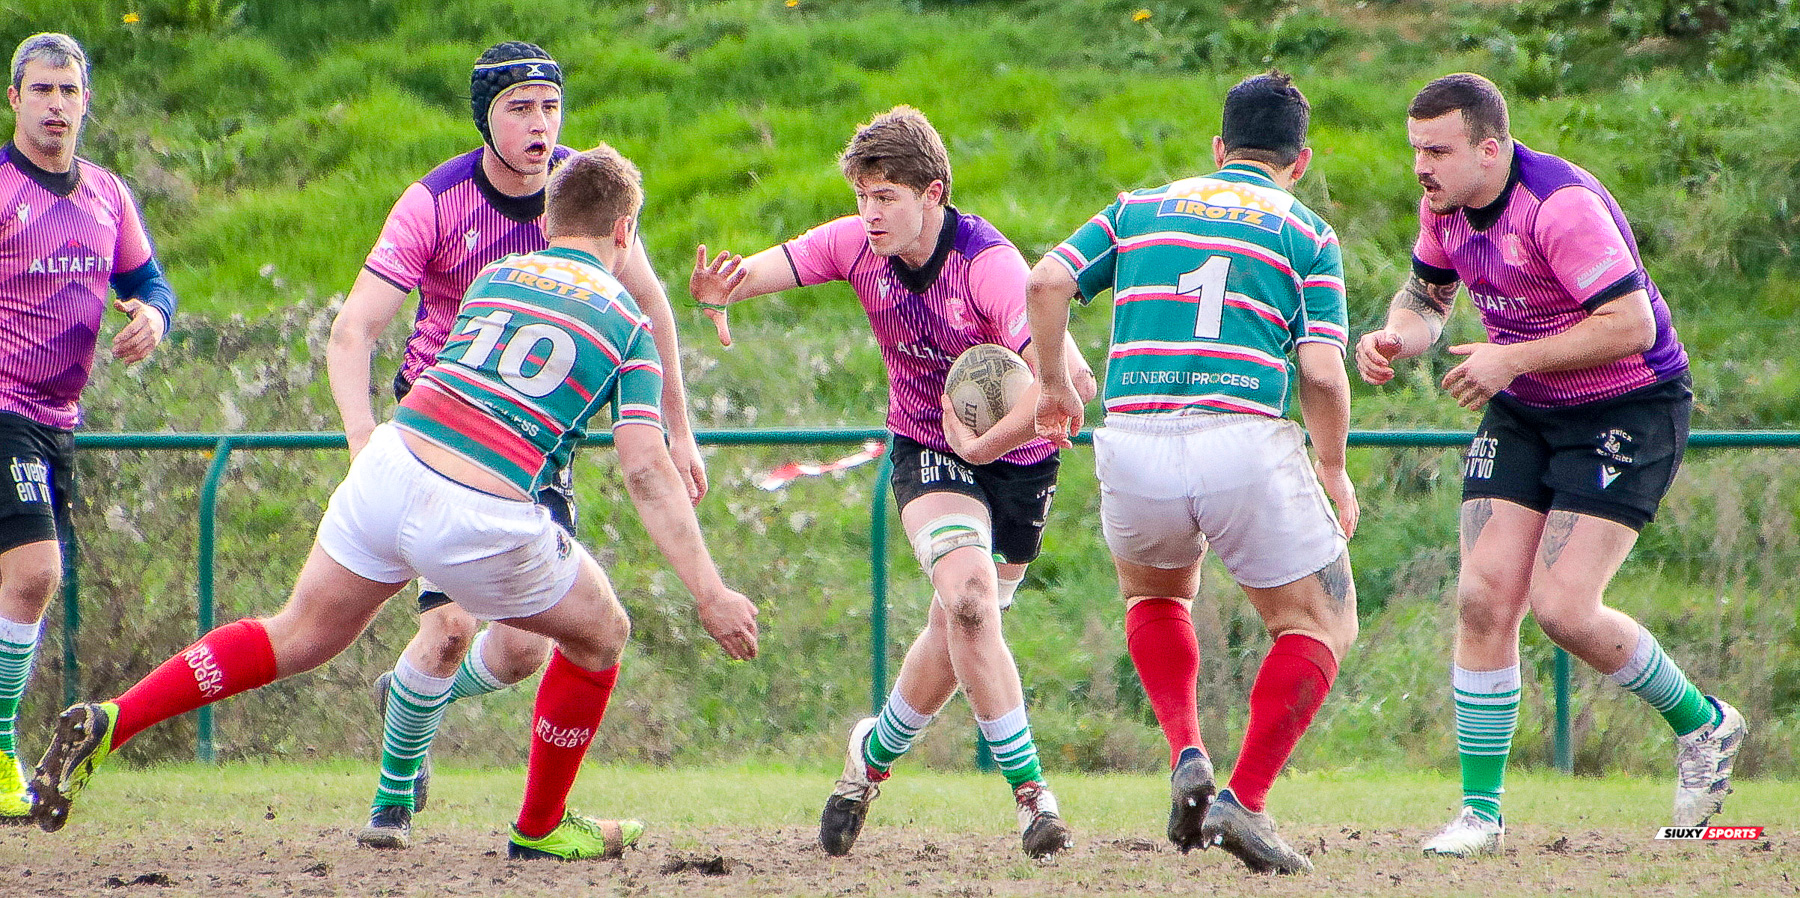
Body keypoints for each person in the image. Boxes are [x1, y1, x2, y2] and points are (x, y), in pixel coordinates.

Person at [28, 144, 761, 861]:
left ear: (546, 221)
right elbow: (645, 471)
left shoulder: (499, 275)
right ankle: (542, 827)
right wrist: (711, 592)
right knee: (601, 634)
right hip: (480, 507)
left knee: (296, 634)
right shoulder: (628, 324)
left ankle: (115, 718)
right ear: (623, 233)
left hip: (390, 464)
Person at [324, 41, 709, 849]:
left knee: (526, 649)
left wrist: (679, 426)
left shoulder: (583, 190)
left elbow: (651, 307)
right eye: (519, 108)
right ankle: (391, 802)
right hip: (445, 434)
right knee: (451, 628)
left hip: (539, 444)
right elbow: (354, 327)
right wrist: (363, 435)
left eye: (549, 106)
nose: (540, 126)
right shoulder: (435, 200)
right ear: (485, 118)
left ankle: (410, 697)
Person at [1354, 72, 1745, 857]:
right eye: (1415, 150)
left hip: (1627, 406)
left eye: (1438, 150)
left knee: (1565, 609)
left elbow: (1630, 324)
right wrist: (1398, 336)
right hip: (1529, 402)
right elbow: (1426, 298)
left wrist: (1509, 359)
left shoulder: (1558, 206)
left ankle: (1705, 725)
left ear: (1490, 149)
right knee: (1481, 596)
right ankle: (1480, 816)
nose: (1421, 168)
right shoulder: (1447, 210)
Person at [688, 105, 1095, 859]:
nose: (869, 214)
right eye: (862, 197)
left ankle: (868, 759)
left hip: (1021, 457)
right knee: (969, 601)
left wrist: (982, 441)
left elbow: (1064, 390)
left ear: (933, 194)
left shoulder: (988, 266)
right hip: (926, 447)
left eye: (887, 198)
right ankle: (1034, 798)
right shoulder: (857, 244)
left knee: (958, 624)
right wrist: (722, 292)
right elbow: (778, 264)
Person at [1028, 71, 1357, 875]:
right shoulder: (1305, 232)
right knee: (1318, 625)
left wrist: (1050, 386)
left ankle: (1186, 751)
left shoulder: (1138, 209)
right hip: (1241, 438)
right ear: (1300, 160)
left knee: (1155, 595)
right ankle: (1244, 801)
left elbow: (1044, 280)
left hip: (1134, 438)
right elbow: (1320, 372)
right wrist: (1334, 468)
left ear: (1218, 149)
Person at [0, 33, 176, 824]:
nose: (56, 106)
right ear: (14, 100)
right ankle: (1, 747)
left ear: (87, 102)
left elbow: (148, 280)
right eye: (40, 90)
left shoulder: (107, 192)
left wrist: (151, 317)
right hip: (4, 408)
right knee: (35, 575)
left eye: (69, 92)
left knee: (21, 590)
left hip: (59, 419)